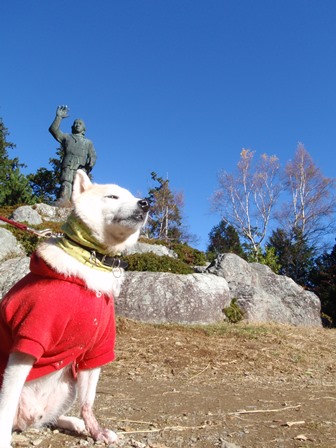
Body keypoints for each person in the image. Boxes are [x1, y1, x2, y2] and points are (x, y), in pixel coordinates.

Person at [49, 105, 97, 203]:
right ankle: (64, 200)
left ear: (84, 128)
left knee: (77, 184)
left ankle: (76, 203)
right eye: (75, 123)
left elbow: (93, 155)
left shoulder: (88, 142)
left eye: (80, 124)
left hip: (81, 166)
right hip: (68, 164)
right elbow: (53, 130)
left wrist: (91, 163)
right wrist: (59, 117)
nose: (77, 125)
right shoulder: (67, 137)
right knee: (66, 181)